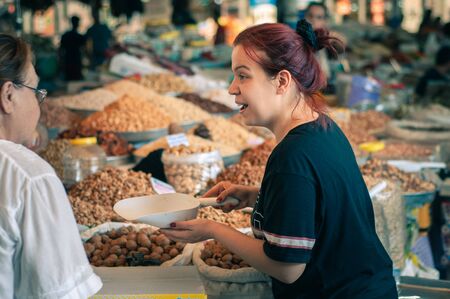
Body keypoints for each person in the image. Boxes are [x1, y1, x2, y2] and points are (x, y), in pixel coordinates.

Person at [161, 20, 397, 299]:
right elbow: (320, 206)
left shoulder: (292, 157)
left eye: (243, 76)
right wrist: (258, 197)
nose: (231, 89)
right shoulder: (321, 127)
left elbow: (287, 267)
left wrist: (213, 230)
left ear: (282, 81)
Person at [0, 34, 102, 298]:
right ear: (8, 95)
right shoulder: (28, 177)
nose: (39, 105)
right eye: (36, 92)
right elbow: (61, 291)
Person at [60, 16, 85, 81]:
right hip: (75, 60)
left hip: (69, 60)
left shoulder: (66, 35)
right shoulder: (80, 37)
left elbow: (61, 49)